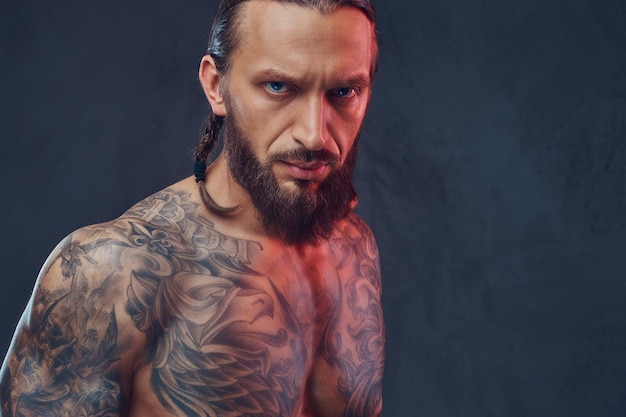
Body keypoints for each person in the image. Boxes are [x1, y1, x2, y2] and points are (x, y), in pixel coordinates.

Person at [0, 0, 385, 415]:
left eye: (344, 91)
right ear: (216, 85)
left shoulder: (353, 248)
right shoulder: (111, 271)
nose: (314, 135)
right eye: (278, 87)